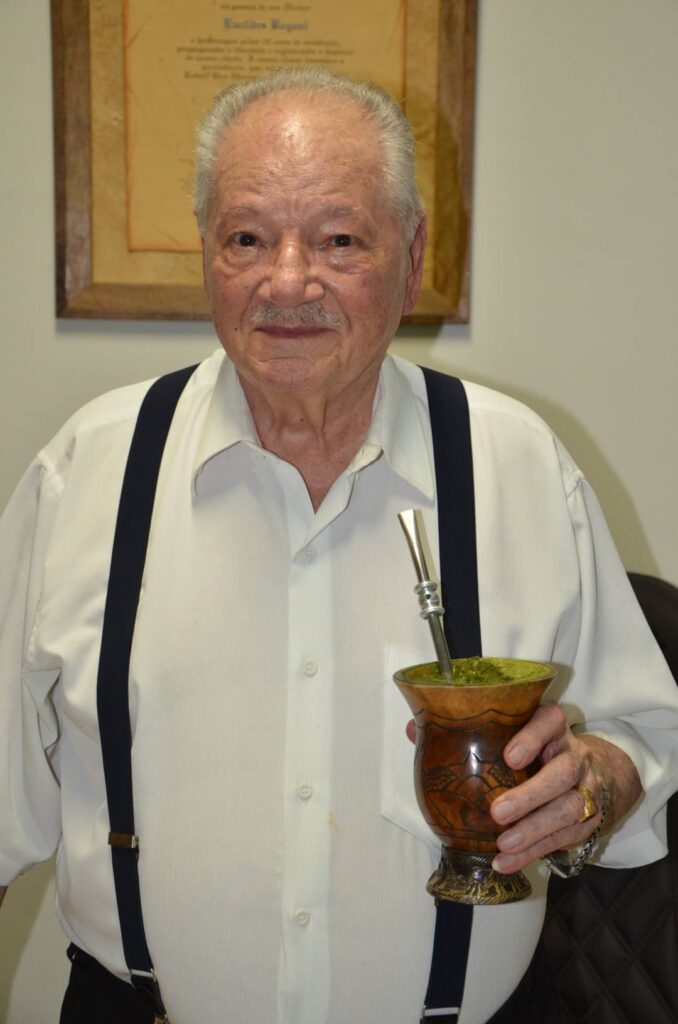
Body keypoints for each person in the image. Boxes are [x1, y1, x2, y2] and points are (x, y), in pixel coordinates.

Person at [0, 67, 676, 1024]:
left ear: (413, 252)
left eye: (339, 240)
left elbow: (642, 735)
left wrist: (592, 784)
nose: (288, 281)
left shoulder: (522, 465)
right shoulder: (87, 472)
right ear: (206, 250)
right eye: (247, 237)